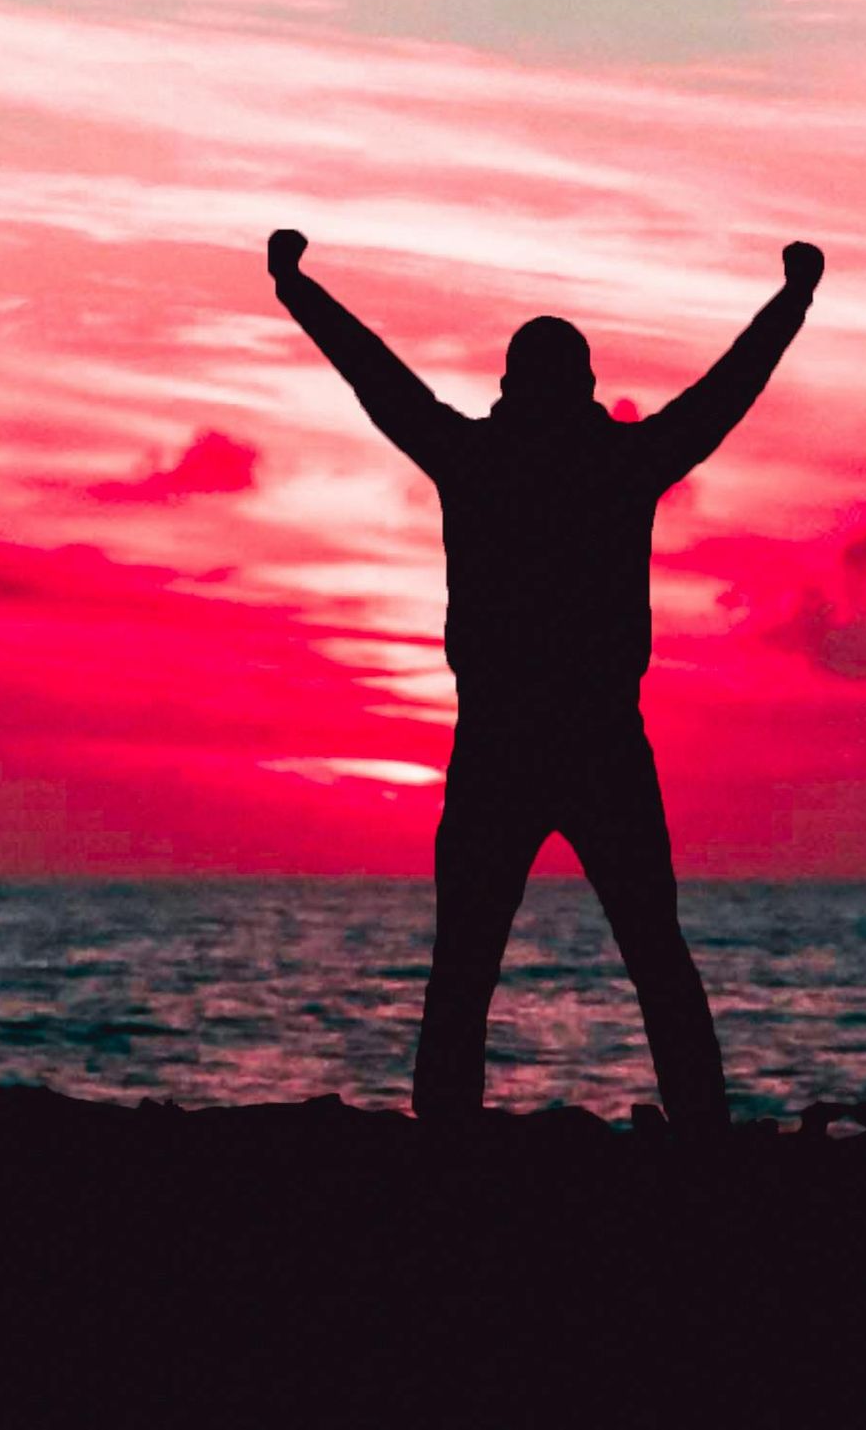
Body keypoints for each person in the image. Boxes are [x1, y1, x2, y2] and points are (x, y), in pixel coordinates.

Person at [269, 226, 823, 1133]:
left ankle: (460, 1130)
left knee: (482, 963)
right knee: (639, 954)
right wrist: (794, 298)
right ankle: (699, 1134)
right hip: (578, 741)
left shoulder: (486, 458)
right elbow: (727, 392)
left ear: (509, 389)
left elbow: (377, 376)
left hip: (524, 743)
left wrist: (297, 287)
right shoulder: (614, 462)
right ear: (587, 391)